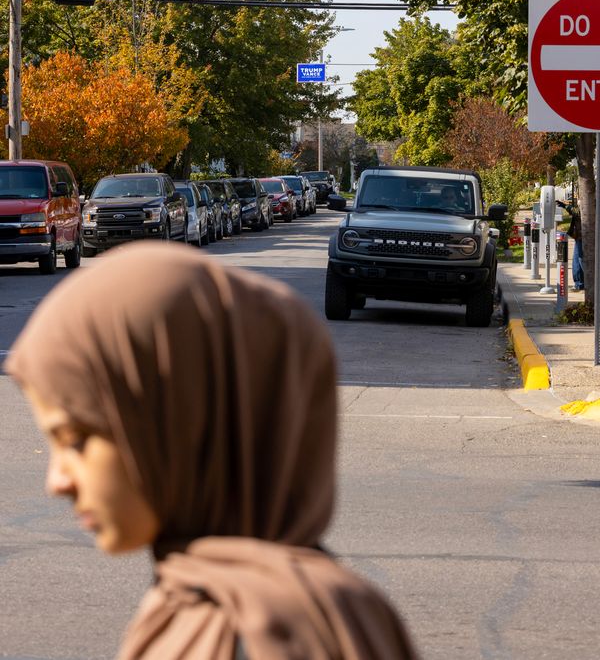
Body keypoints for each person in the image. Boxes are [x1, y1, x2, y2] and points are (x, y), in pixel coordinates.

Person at [5, 242, 419, 660]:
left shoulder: (260, 633)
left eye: (76, 440)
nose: (56, 481)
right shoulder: (232, 602)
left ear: (184, 425)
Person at [557, 199, 584, 291]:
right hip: (579, 236)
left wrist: (566, 206)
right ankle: (579, 284)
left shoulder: (589, 205)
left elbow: (577, 212)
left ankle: (586, 283)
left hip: (583, 237)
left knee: (581, 260)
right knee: (577, 261)